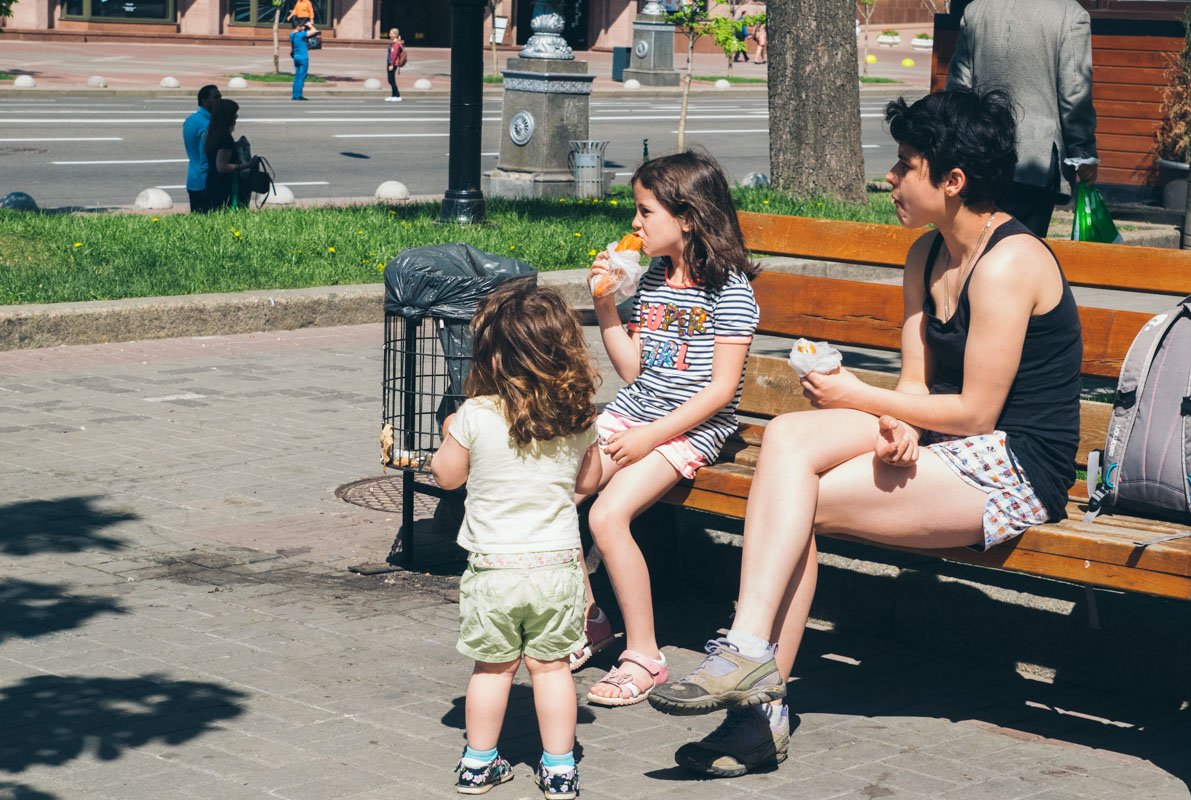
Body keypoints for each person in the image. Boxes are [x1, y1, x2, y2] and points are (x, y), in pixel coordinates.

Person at [648, 89, 1083, 779]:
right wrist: (894, 419)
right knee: (790, 441)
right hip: (953, 445)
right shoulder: (926, 255)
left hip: (1016, 465)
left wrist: (857, 395)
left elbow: (977, 412)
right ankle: (747, 655)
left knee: (797, 503)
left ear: (952, 180)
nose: (890, 178)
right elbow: (916, 388)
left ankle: (755, 701)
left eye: (905, 164)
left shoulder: (1009, 262)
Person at [578, 149, 760, 709]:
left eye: (644, 211)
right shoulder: (654, 276)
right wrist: (606, 306)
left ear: (686, 217)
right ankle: (588, 619)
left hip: (691, 427)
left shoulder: (729, 291)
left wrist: (649, 438)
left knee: (607, 515)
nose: (634, 224)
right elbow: (635, 371)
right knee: (556, 488)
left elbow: (720, 392)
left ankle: (645, 656)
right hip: (638, 410)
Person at [429, 280, 603, 798]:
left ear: (491, 355)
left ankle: (479, 764)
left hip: (494, 571)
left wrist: (448, 434)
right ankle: (558, 769)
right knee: (551, 670)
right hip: (556, 569)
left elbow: (446, 477)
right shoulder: (576, 419)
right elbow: (589, 482)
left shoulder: (475, 416)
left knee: (493, 669)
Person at [945, 0, 1099, 236]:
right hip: (1035, 157)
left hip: (979, 151)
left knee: (978, 245)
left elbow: (958, 87)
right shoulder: (1070, 14)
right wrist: (1083, 153)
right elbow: (1074, 93)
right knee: (1023, 251)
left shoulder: (977, 9)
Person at [182, 84, 220, 213]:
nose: (219, 100)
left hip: (192, 179)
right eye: (216, 97)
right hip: (204, 182)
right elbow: (205, 157)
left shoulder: (190, 120)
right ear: (204, 101)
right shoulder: (207, 125)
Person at [203, 98, 244, 210]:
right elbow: (222, 166)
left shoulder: (211, 134)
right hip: (223, 185)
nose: (236, 116)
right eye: (234, 113)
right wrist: (247, 165)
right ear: (227, 116)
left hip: (211, 182)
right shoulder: (225, 139)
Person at [289, 19, 319, 101]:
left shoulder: (292, 35)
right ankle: (299, 95)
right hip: (303, 58)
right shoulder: (300, 35)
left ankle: (295, 95)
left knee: (297, 76)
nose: (303, 27)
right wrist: (310, 25)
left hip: (296, 57)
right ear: (297, 26)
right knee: (302, 76)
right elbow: (314, 31)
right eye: (301, 26)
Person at [385, 28, 405, 103]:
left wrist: (391, 64)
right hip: (390, 63)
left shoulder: (396, 43)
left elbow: (395, 55)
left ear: (395, 34)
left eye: (391, 33)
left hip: (393, 63)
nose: (390, 35)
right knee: (390, 80)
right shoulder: (394, 42)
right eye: (390, 33)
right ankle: (393, 96)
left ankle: (398, 96)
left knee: (391, 80)